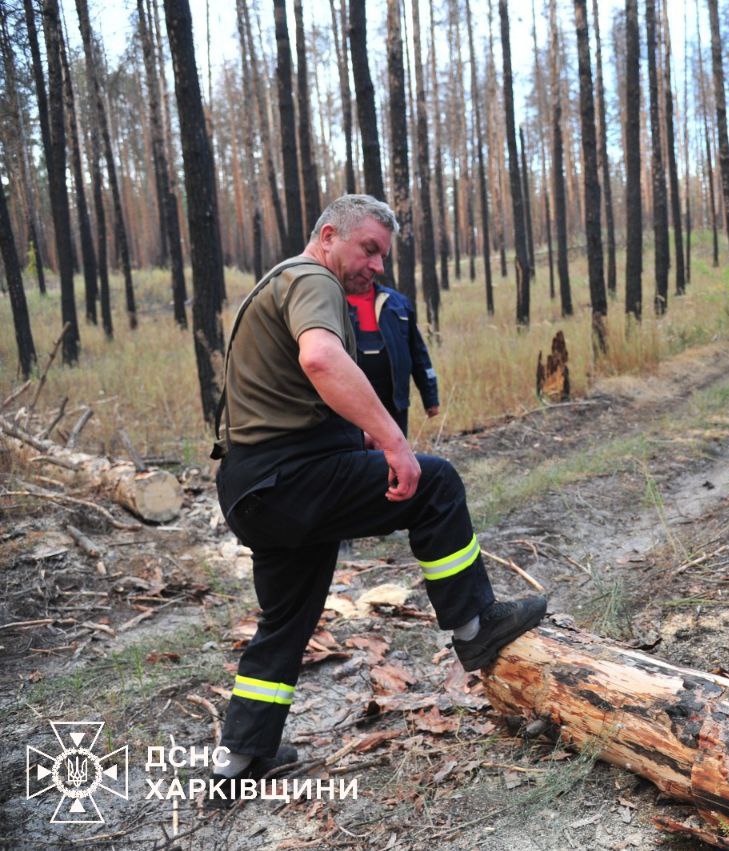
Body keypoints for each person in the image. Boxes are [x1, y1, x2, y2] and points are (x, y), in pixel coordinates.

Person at [209, 194, 545, 803]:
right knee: (435, 482)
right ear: (330, 235)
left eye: (384, 254)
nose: (378, 265)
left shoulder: (277, 284)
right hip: (286, 480)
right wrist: (394, 442)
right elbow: (319, 357)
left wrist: (357, 432)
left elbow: (288, 394)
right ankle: (475, 626)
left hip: (255, 488)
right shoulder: (313, 278)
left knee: (286, 619)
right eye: (369, 248)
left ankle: (243, 754)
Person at [345, 278, 439, 437]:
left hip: (395, 405)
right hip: (350, 410)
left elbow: (418, 353)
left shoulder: (398, 303)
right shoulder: (331, 304)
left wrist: (430, 396)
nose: (372, 266)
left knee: (396, 454)